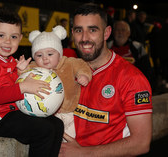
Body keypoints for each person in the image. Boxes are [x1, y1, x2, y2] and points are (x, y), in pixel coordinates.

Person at [59, 4, 153, 157]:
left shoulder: (132, 78)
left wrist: (83, 153)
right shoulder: (65, 69)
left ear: (106, 33)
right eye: (78, 30)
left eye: (92, 30)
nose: (84, 38)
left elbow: (141, 143)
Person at [0, 8, 64, 157]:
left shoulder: (11, 61)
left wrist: (20, 74)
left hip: (13, 113)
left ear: (20, 38)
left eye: (13, 36)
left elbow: (12, 88)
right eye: (1, 35)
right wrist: (23, 86)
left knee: (57, 124)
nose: (7, 41)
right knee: (44, 130)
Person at [20, 25, 92, 140]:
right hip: (45, 115)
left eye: (50, 54)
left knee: (70, 140)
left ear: (59, 53)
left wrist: (83, 75)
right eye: (39, 55)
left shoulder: (69, 63)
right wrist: (22, 70)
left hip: (69, 114)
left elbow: (82, 65)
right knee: (51, 142)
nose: (45, 59)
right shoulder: (34, 67)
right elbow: (21, 79)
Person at [107, 20, 154, 89]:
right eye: (117, 30)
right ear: (113, 32)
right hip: (111, 87)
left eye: (123, 30)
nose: (120, 33)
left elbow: (147, 69)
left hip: (133, 86)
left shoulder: (137, 47)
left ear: (128, 33)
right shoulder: (106, 47)